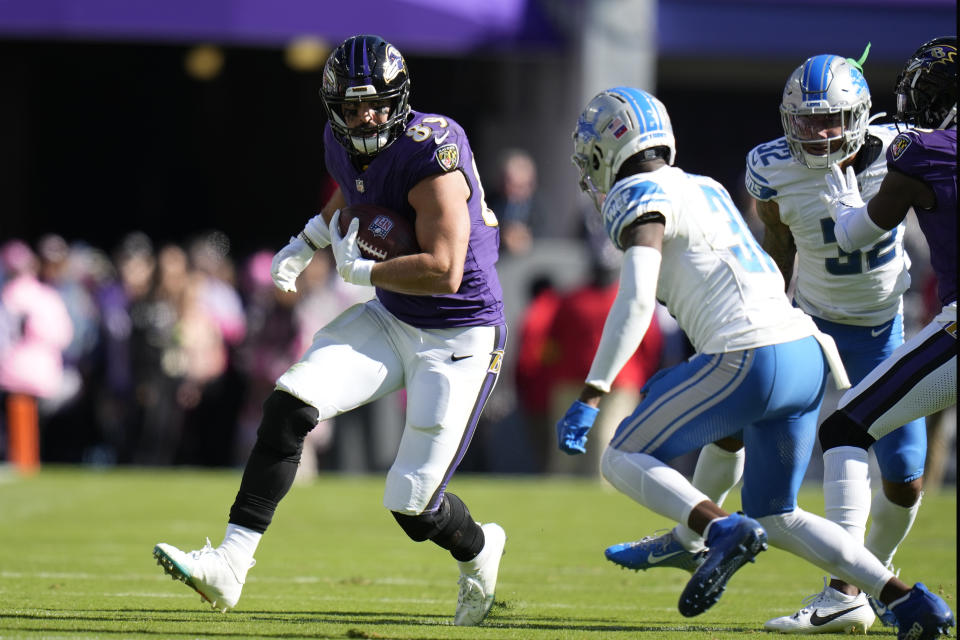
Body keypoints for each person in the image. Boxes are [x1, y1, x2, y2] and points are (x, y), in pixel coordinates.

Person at [555, 85, 955, 637]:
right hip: (807, 351)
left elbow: (636, 299)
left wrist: (592, 391)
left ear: (606, 148)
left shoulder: (635, 192)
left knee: (620, 457)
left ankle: (712, 530)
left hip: (749, 353)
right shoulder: (706, 186)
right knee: (775, 512)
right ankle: (906, 599)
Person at [153, 34, 508, 627]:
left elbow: (446, 271)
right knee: (292, 400)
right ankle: (230, 565)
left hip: (458, 334)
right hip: (394, 316)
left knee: (413, 506)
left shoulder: (433, 150)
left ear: (398, 99)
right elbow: (357, 190)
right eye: (350, 107)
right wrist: (309, 239)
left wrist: (363, 270)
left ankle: (480, 549)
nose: (363, 117)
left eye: (373, 105)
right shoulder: (340, 141)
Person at [817, 35, 957, 633]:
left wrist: (841, 185)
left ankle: (849, 588)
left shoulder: (923, 151)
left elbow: (853, 234)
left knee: (847, 424)